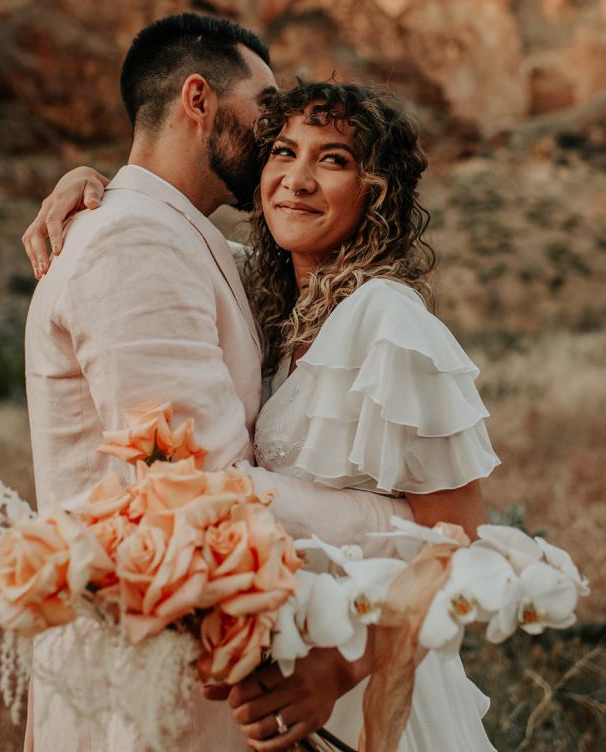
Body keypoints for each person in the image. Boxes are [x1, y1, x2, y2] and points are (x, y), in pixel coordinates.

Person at [25, 63, 500, 749]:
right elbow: (160, 237)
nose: (296, 180)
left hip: (370, 678)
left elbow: (466, 548)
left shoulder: (390, 325)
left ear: (377, 192)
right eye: (283, 152)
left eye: (332, 161)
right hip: (284, 678)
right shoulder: (277, 304)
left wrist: (342, 667)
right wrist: (92, 182)